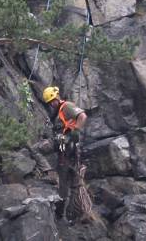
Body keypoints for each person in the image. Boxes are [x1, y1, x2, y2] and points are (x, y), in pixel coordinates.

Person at [42, 86, 91, 221]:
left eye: (53, 100)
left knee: (70, 182)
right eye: (49, 103)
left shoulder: (66, 106)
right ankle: (65, 213)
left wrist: (76, 131)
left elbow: (82, 116)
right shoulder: (56, 113)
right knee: (65, 181)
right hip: (64, 150)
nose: (52, 104)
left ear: (57, 97)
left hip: (70, 148)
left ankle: (68, 214)